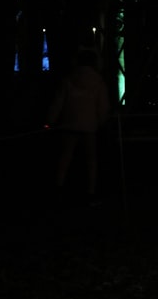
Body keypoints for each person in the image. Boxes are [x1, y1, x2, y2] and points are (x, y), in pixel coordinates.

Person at [46, 48, 111, 205]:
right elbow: (103, 106)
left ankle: (59, 188)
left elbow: (58, 103)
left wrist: (49, 121)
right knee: (91, 160)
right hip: (89, 126)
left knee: (65, 158)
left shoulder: (69, 79)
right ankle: (90, 192)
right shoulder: (98, 81)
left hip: (68, 124)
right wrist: (102, 122)